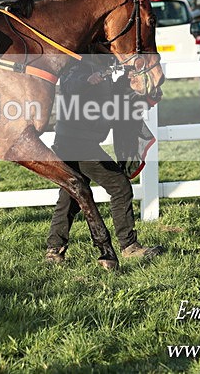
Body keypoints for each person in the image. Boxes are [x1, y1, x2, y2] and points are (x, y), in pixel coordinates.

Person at [45, 55, 163, 263]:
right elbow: (71, 85)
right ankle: (129, 245)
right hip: (79, 145)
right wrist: (87, 80)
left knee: (71, 196)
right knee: (120, 187)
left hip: (74, 142)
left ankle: (54, 250)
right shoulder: (79, 67)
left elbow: (116, 95)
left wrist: (136, 85)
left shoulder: (99, 69)